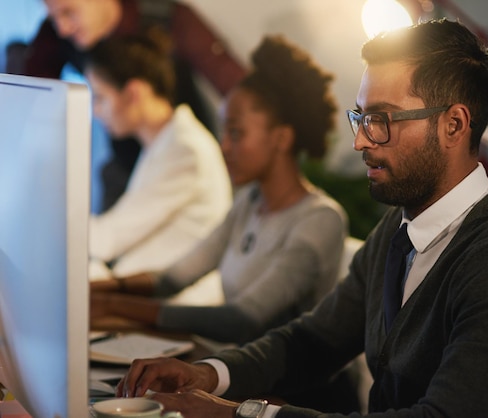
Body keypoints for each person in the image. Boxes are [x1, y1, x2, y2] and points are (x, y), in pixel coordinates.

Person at [113, 19, 488, 418]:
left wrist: (243, 412)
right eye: (360, 118)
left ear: (454, 125)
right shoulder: (398, 233)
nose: (361, 141)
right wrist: (211, 373)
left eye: (381, 119)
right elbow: (313, 341)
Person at [90, 35, 349, 347]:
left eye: (236, 133)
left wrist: (113, 305)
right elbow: (171, 280)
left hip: (296, 392)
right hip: (240, 371)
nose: (224, 146)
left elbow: (242, 320)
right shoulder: (249, 204)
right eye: (224, 131)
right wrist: (101, 289)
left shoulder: (320, 220)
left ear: (281, 138)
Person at [16, 0, 246, 211]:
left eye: (69, 12)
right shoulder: (56, 37)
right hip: (127, 167)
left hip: (182, 164)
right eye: (53, 17)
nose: (63, 28)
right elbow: (26, 99)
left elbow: (240, 89)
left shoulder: (167, 18)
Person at [85, 30, 232, 278]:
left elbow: (107, 240)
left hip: (176, 304)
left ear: (134, 93)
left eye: (100, 97)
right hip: (146, 288)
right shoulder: (165, 142)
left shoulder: (186, 151)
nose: (96, 111)